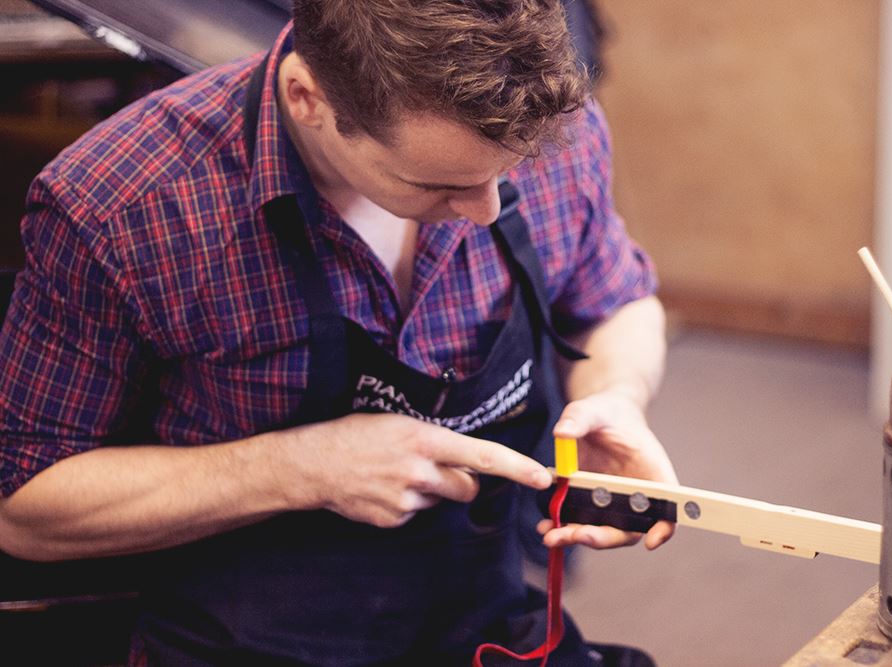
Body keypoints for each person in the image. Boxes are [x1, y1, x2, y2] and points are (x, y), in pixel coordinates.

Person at [0, 1, 678, 664]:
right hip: (246, 639)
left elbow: (613, 302)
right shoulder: (126, 206)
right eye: (437, 185)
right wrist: (301, 468)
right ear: (307, 99)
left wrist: (618, 394)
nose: (486, 209)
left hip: (482, 613)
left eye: (508, 171)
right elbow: (24, 504)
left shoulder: (558, 125)